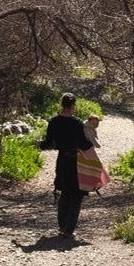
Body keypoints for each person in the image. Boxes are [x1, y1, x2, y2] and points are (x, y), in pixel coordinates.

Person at [43, 93, 93, 238]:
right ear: (72, 106)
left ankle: (62, 225)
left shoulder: (53, 122)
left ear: (61, 104)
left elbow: (47, 143)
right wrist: (92, 144)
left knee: (64, 191)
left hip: (61, 160)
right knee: (76, 194)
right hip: (74, 161)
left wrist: (38, 145)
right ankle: (69, 229)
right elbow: (83, 144)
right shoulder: (76, 123)